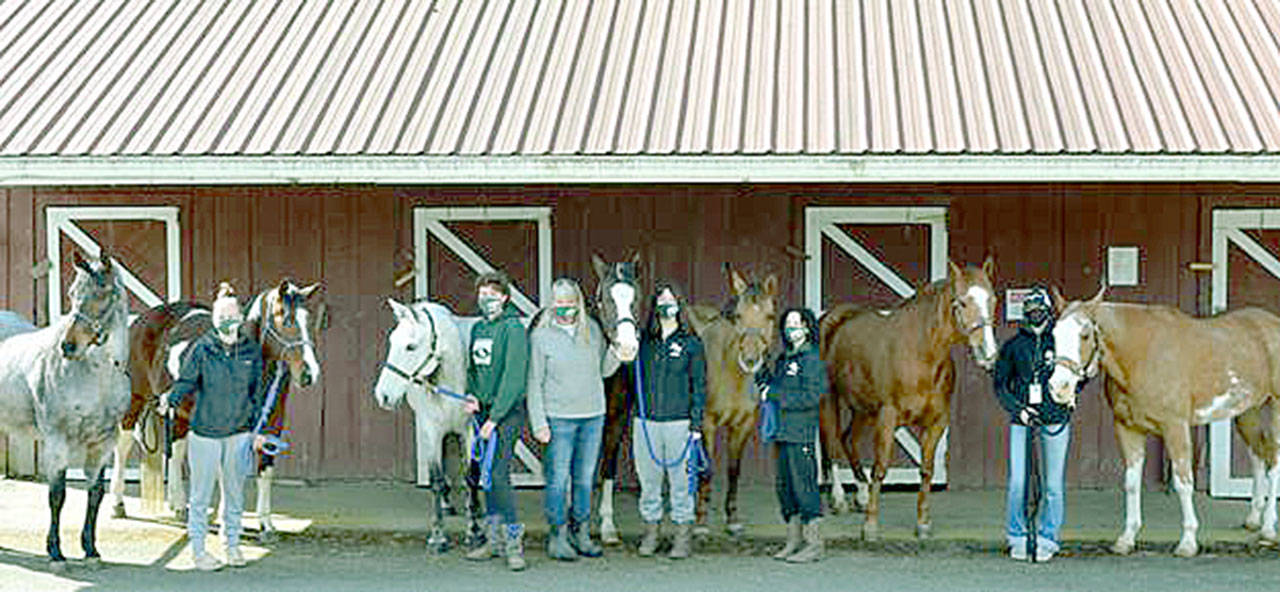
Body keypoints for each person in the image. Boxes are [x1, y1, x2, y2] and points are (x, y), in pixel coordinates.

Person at [160, 285, 267, 571]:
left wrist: (256, 432)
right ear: (214, 317)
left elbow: (257, 395)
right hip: (205, 434)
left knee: (234, 494)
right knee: (200, 497)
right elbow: (186, 380)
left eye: (231, 313)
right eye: (220, 314)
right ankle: (199, 553)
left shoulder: (251, 352)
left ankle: (232, 547)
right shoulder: (203, 348)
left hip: (239, 434)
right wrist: (170, 397)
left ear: (241, 317)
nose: (225, 318)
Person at [527, 278, 620, 561]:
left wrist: (619, 350)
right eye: (559, 303)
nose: (564, 308)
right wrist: (539, 422)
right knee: (557, 480)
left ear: (577, 303)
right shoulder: (541, 337)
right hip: (558, 419)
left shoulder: (591, 330)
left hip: (592, 416)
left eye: (569, 303)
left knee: (584, 479)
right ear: (551, 303)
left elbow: (604, 371)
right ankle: (558, 535)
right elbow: (534, 382)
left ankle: (581, 531)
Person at [993, 286, 1073, 563]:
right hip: (1022, 420)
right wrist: (1018, 409)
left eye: (1039, 308)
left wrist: (1069, 396)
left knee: (1052, 484)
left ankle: (1048, 537)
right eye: (1030, 309)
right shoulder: (1014, 346)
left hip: (1056, 418)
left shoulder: (1060, 341)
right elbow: (1000, 384)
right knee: (1018, 481)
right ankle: (1017, 535)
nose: (1034, 313)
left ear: (1048, 310)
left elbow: (1077, 373)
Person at [632, 281, 706, 560]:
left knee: (681, 482)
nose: (666, 304)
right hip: (646, 422)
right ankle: (651, 531)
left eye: (671, 299)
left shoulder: (691, 344)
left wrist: (696, 425)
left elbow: (699, 386)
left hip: (679, 423)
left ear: (680, 304)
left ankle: (682, 534)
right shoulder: (644, 343)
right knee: (649, 481)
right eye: (661, 299)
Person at [462, 270, 531, 571]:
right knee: (485, 477)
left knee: (499, 475)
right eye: (482, 293)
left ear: (504, 297)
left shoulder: (513, 329)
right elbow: (474, 370)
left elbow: (513, 378)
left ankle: (514, 544)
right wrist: (472, 395)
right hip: (483, 411)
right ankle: (493, 541)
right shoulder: (478, 329)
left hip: (506, 413)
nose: (486, 298)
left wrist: (495, 418)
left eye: (493, 293)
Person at [758, 306, 827, 563]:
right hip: (782, 434)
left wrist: (775, 395)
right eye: (787, 324)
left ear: (807, 327)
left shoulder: (812, 360)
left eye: (796, 324)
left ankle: (814, 543)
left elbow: (813, 396)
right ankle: (793, 540)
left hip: (801, 434)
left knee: (804, 487)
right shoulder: (784, 358)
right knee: (785, 488)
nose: (791, 329)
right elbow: (773, 386)